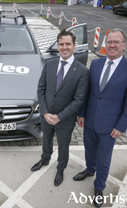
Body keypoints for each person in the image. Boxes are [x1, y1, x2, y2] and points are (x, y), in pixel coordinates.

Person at [73, 28, 127, 207]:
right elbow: (88, 92)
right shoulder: (95, 64)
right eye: (109, 42)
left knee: (104, 158)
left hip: (110, 124)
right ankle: (89, 170)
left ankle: (99, 186)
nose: (112, 45)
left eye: (116, 42)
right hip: (90, 119)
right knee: (89, 149)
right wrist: (81, 113)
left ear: (124, 45)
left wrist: (121, 126)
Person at [31, 29, 89, 187]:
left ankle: (60, 168)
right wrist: (44, 112)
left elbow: (79, 100)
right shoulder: (49, 64)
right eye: (61, 44)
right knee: (46, 141)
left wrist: (59, 116)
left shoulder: (82, 71)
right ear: (57, 45)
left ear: (74, 46)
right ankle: (44, 159)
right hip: (46, 115)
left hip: (65, 119)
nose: (64, 47)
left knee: (63, 146)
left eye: (68, 44)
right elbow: (40, 90)